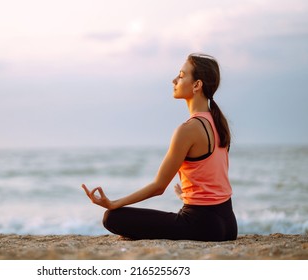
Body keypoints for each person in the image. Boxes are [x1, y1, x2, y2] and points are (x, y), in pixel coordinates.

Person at [82, 53, 238, 241]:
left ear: (197, 85)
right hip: (228, 223)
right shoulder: (218, 122)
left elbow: (159, 187)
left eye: (181, 76)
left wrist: (113, 203)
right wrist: (186, 196)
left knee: (112, 218)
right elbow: (212, 182)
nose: (174, 80)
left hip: (201, 224)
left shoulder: (188, 129)